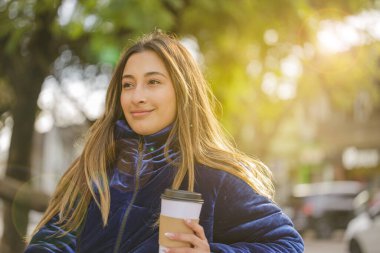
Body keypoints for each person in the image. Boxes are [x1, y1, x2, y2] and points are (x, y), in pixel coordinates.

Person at [25, 31, 304, 253]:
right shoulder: (93, 166)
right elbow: (54, 238)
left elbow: (287, 245)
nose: (137, 97)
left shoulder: (213, 178)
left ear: (182, 91)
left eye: (154, 82)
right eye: (128, 84)